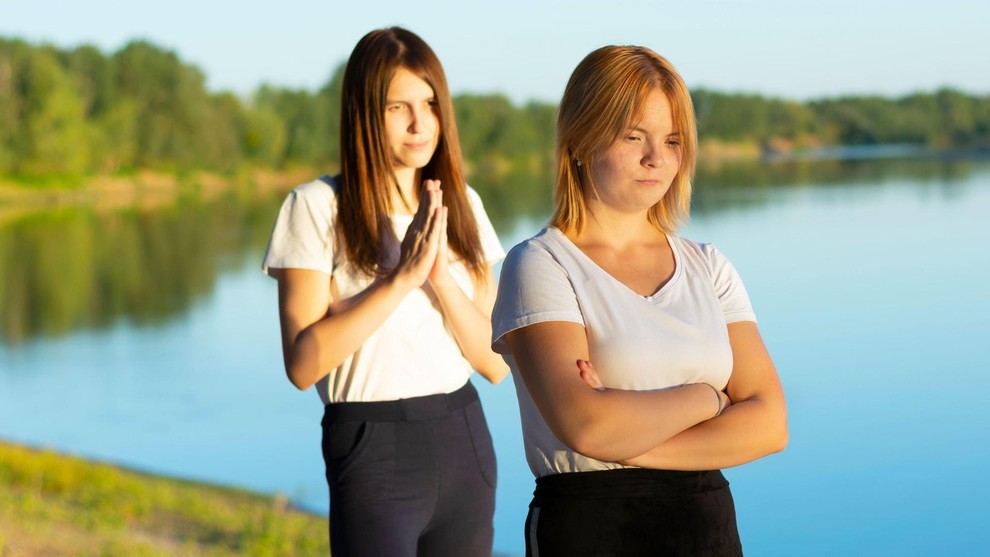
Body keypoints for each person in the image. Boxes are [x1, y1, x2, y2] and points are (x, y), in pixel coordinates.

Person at [491, 45, 788, 556]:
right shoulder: (541, 264)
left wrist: (629, 443)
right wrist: (709, 399)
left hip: (708, 526)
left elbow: (770, 424)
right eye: (634, 136)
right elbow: (587, 426)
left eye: (671, 140)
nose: (657, 158)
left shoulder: (708, 266)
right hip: (591, 527)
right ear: (580, 140)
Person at [261, 27, 508, 557]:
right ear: (365, 113)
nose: (421, 124)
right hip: (372, 444)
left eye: (430, 103)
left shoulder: (462, 204)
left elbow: (495, 362)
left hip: (464, 438)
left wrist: (439, 278)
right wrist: (400, 279)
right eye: (400, 106)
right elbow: (302, 366)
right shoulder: (316, 206)